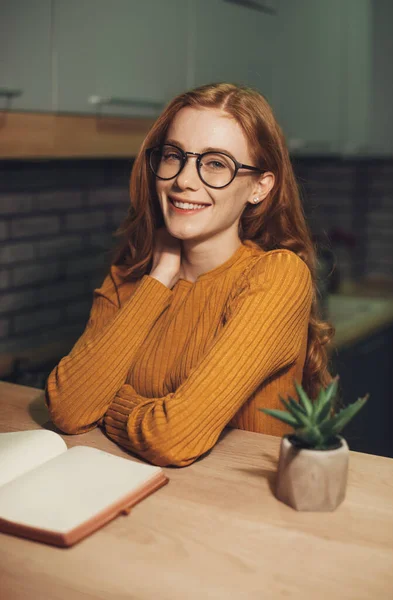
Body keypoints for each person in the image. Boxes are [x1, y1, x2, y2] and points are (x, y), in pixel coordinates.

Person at [45, 82, 334, 467]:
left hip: (230, 510)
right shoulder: (128, 278)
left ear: (260, 188)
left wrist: (110, 403)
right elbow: (69, 408)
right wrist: (159, 278)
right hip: (133, 493)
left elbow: (172, 438)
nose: (184, 179)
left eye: (216, 163)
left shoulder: (276, 277)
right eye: (173, 155)